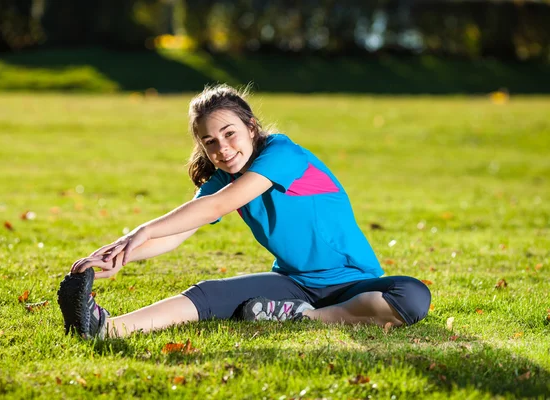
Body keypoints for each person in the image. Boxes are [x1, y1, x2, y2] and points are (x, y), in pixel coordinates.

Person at [57, 84, 431, 340]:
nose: (222, 148)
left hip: (353, 285)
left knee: (411, 295)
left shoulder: (284, 155)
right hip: (292, 283)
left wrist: (138, 230)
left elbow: (218, 206)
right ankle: (106, 327)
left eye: (230, 133)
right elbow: (179, 231)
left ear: (251, 127)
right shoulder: (224, 178)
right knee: (206, 295)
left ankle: (303, 316)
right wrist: (117, 256)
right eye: (210, 142)